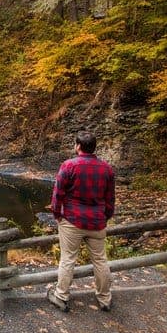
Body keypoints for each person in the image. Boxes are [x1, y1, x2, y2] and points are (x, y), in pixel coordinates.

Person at [48, 130, 115, 312]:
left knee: (68, 259)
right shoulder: (106, 169)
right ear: (94, 147)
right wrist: (105, 216)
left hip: (72, 220)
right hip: (97, 222)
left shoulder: (69, 166)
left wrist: (57, 214)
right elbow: (110, 200)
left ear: (77, 146)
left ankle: (61, 296)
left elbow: (58, 193)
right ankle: (104, 299)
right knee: (100, 260)